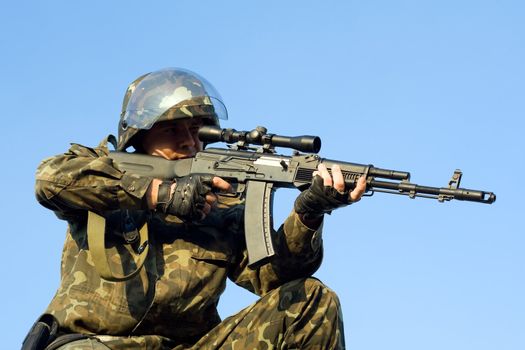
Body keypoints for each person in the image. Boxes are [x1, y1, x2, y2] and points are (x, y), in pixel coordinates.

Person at [27, 67, 366, 350]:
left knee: (311, 302)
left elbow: (272, 280)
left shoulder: (224, 204)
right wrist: (158, 195)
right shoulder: (103, 170)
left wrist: (309, 213)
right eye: (173, 130)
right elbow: (51, 180)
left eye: (196, 130)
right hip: (94, 344)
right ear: (140, 136)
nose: (189, 142)